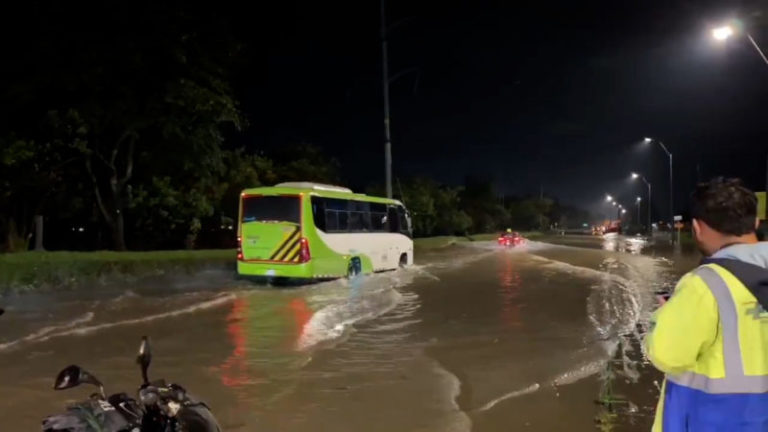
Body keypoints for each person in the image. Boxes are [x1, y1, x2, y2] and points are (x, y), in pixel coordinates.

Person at [645, 178, 768, 431]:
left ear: (698, 228)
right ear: (755, 223)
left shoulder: (705, 284)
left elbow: (665, 355)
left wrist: (664, 315)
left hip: (718, 420)